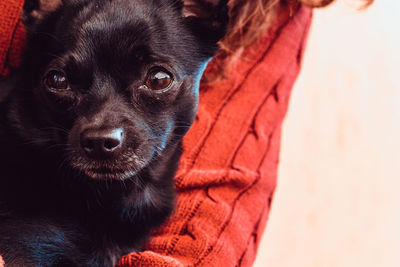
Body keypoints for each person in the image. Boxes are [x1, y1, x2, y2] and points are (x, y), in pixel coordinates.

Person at [0, 0, 372, 266]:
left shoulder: (270, 14)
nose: (102, 129)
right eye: (61, 81)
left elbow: (223, 204)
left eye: (157, 79)